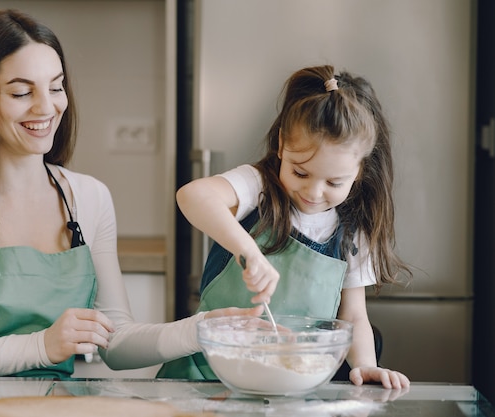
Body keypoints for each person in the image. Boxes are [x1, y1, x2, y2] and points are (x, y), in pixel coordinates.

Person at [0, 9, 261, 379]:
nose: (47, 107)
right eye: (21, 92)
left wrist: (202, 330)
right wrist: (42, 346)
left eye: (55, 87)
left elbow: (115, 343)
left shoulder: (88, 198)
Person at [157, 65, 412, 389]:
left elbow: (354, 315)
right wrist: (249, 251)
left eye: (334, 181)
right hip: (207, 377)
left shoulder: (352, 233)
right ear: (281, 146)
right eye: (301, 173)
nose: (313, 192)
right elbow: (192, 196)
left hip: (288, 386)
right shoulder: (258, 187)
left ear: (360, 171)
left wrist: (365, 366)